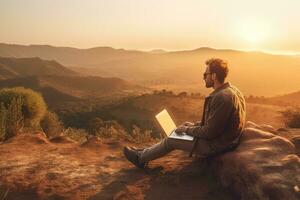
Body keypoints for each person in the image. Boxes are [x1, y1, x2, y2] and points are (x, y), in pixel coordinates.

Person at [123, 58, 246, 168]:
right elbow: (216, 123)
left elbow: (210, 132)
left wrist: (186, 130)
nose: (204, 77)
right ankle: (143, 152)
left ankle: (140, 159)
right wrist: (192, 126)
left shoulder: (221, 97)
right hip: (225, 139)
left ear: (213, 76)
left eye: (205, 74)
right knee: (183, 127)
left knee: (170, 140)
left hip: (217, 145)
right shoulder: (233, 91)